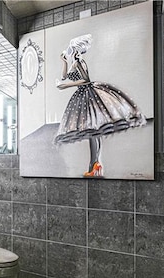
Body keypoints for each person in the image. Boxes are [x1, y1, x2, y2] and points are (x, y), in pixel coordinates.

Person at [55, 34, 146, 177]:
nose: (70, 50)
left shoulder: (80, 62)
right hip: (81, 95)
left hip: (86, 94)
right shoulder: (74, 62)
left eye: (72, 48)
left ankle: (94, 164)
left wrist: (66, 86)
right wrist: (64, 61)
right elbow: (63, 76)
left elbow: (86, 80)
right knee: (93, 131)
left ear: (76, 49)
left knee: (93, 131)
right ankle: (95, 163)